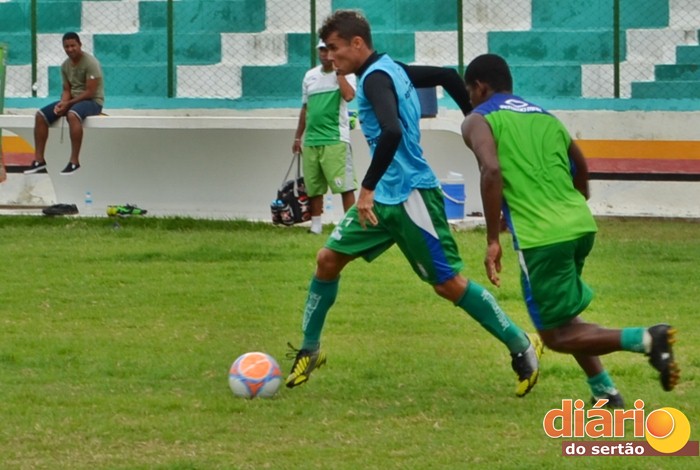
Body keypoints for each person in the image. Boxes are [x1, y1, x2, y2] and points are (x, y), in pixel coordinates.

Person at [285, 10, 543, 398]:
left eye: (334, 49)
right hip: (384, 198)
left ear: (357, 43)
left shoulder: (375, 79)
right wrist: (473, 121)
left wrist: (366, 188)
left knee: (448, 284)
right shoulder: (392, 69)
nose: (330, 57)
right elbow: (447, 76)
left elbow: (392, 131)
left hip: (409, 196)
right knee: (327, 260)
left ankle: (521, 344)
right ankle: (310, 349)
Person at [460, 54, 679, 407]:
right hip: (578, 225)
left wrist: (492, 239)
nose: (469, 100)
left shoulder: (477, 120)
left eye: (469, 92)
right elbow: (581, 168)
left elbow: (492, 171)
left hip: (542, 237)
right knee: (564, 315)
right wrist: (565, 206)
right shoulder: (546, 117)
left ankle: (647, 339)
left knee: (556, 336)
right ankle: (604, 391)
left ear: (480, 87)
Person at [292, 39, 358, 234]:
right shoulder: (310, 76)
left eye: (329, 50)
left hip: (335, 139)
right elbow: (305, 108)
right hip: (312, 139)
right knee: (313, 186)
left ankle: (349, 226)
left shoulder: (346, 74)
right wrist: (298, 137)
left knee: (344, 186)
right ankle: (316, 226)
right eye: (322, 50)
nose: (325, 54)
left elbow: (349, 96)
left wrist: (339, 73)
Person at [24, 32, 104, 176]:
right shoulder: (65, 66)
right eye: (66, 46)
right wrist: (62, 103)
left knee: (72, 115)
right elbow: (67, 89)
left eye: (73, 45)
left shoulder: (91, 63)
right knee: (40, 116)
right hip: (73, 101)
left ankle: (74, 161)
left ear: (80, 45)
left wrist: (68, 104)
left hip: (92, 102)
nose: (70, 49)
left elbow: (90, 92)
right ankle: (39, 160)